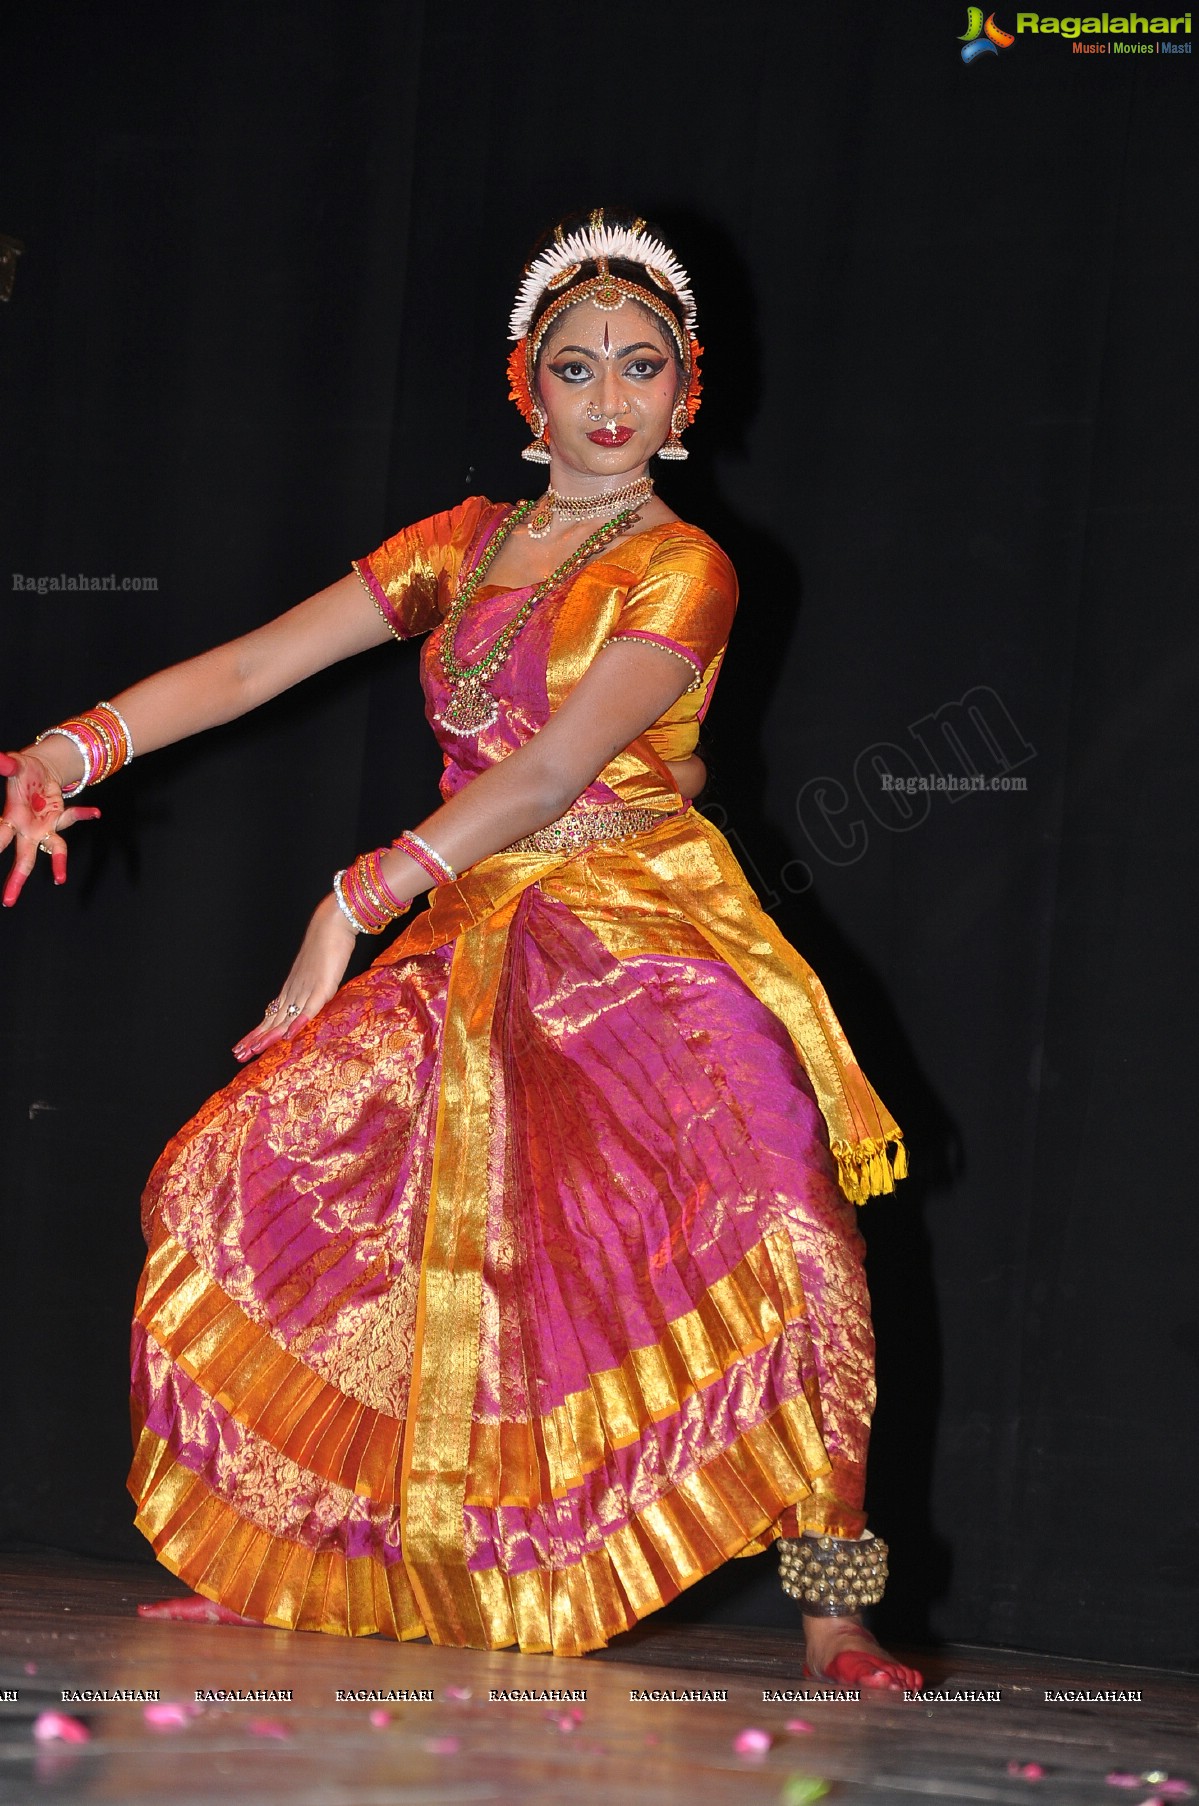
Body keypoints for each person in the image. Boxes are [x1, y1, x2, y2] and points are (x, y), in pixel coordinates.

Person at [0, 209, 919, 1688]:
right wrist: (60, 743)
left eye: (642, 367)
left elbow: (553, 775)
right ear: (524, 388)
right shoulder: (461, 545)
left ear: (689, 399)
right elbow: (251, 663)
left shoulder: (686, 568)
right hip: (477, 924)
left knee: (792, 1231)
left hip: (647, 938)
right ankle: (288, 1552)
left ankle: (837, 1611)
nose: (609, 397)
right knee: (234, 1179)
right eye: (576, 366)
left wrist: (353, 899)